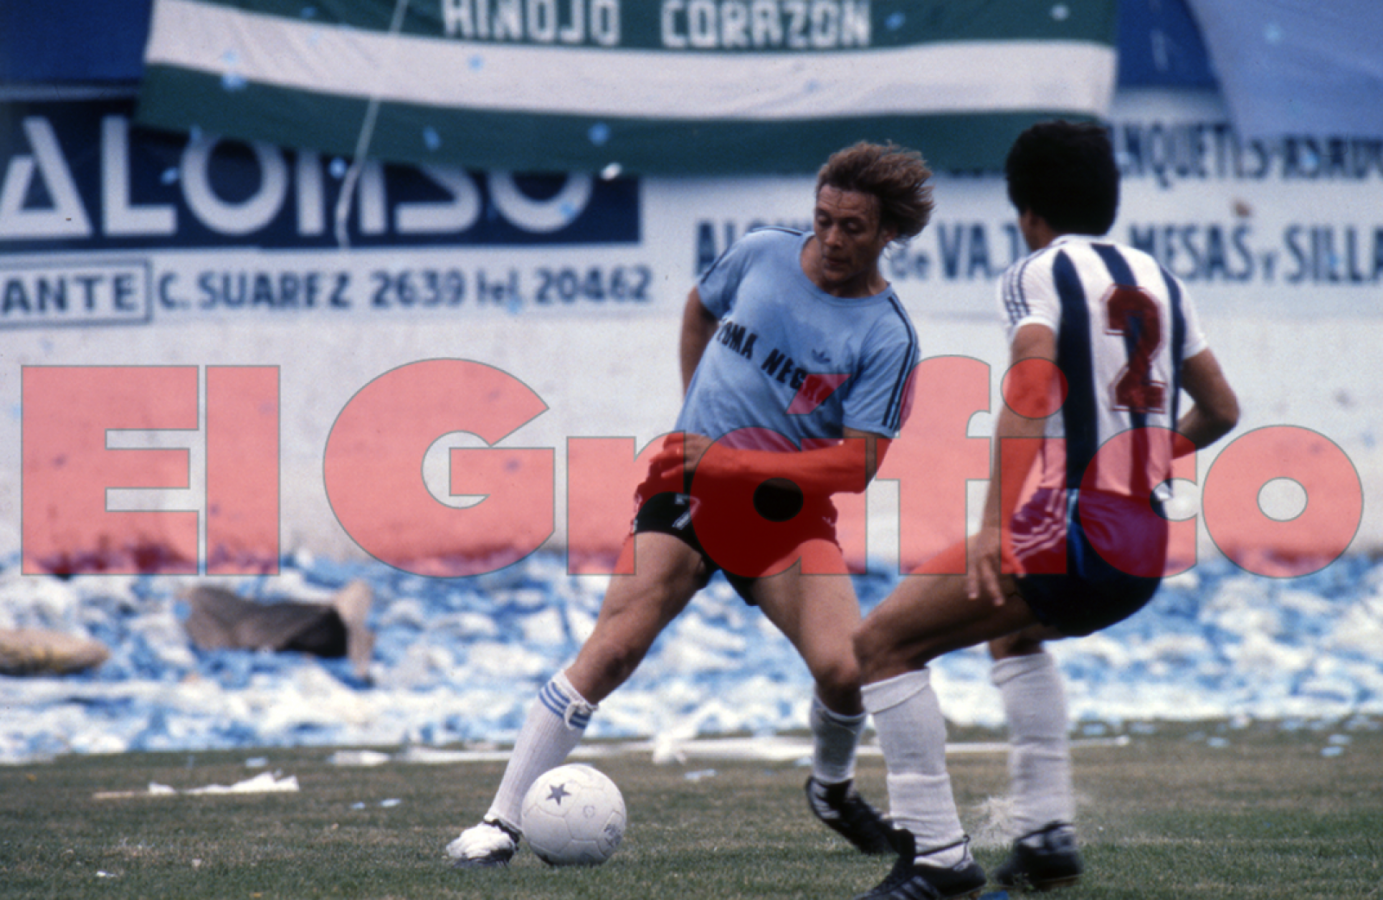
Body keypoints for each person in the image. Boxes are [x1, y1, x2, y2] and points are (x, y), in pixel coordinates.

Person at [447, 141, 936, 867]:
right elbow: (697, 310)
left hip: (783, 516)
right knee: (612, 649)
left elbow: (857, 464)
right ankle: (499, 822)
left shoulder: (886, 335)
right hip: (688, 491)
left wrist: (729, 458)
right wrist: (693, 426)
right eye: (823, 218)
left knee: (843, 670)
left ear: (889, 232)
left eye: (852, 227)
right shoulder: (762, 255)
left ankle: (831, 789)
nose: (831, 238)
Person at [848, 121, 1240, 900]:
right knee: (1014, 634)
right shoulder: (1156, 277)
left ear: (1024, 210)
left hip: (1073, 529)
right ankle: (1045, 832)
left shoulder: (1036, 272)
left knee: (879, 645)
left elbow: (1029, 386)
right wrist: (1144, 460)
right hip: (1145, 543)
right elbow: (1222, 409)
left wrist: (995, 523)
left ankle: (935, 857)